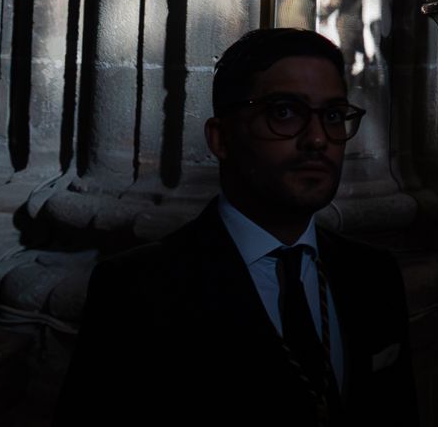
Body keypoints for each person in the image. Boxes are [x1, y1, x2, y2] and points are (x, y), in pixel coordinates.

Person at [58, 29, 418, 425]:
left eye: (333, 115)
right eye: (284, 112)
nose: (317, 139)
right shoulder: (137, 289)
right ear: (221, 138)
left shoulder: (374, 274)